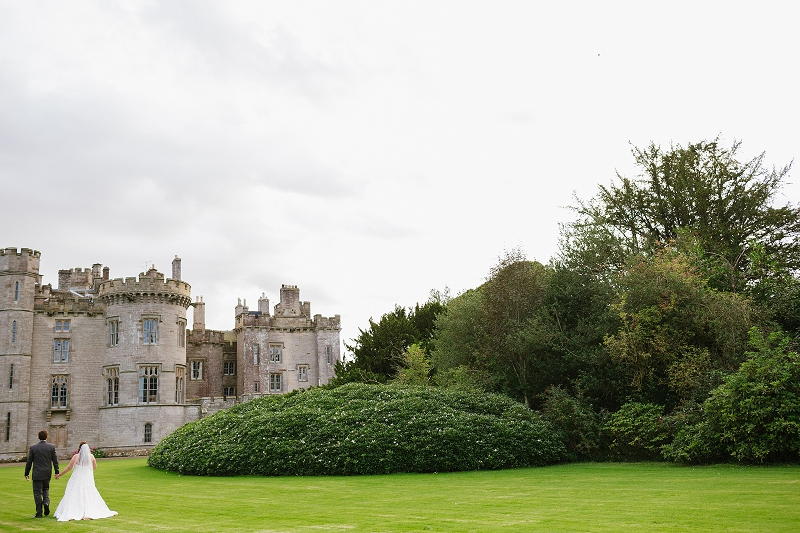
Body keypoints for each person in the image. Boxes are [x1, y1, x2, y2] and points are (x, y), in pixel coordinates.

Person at [53, 442, 117, 521]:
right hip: (87, 478)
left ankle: (73, 511)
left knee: (74, 493)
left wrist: (59, 475)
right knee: (87, 494)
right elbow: (94, 467)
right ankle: (86, 511)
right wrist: (86, 470)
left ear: (79, 448)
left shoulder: (76, 457)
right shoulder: (91, 457)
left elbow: (69, 467)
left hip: (77, 478)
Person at [24, 429, 60, 518]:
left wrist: (26, 473)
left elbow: (29, 461)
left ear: (38, 437)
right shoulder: (51, 447)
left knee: (37, 492)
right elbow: (55, 460)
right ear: (47, 437)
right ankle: (46, 502)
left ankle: (39, 513)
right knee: (46, 489)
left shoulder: (33, 448)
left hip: (37, 473)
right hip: (47, 472)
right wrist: (57, 471)